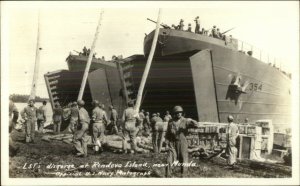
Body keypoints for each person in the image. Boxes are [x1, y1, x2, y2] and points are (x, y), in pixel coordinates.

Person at [165, 105, 199, 177]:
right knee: (169, 160)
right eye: (177, 112)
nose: (179, 114)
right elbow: (167, 133)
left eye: (180, 112)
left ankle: (183, 177)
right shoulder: (170, 122)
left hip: (182, 142)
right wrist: (166, 143)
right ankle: (168, 177)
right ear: (174, 113)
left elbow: (196, 125)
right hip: (172, 143)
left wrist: (192, 120)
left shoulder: (185, 121)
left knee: (184, 160)